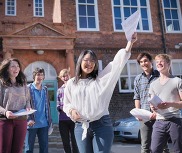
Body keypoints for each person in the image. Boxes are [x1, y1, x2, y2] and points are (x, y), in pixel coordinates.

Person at [63, 33, 137, 153]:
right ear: (80, 61)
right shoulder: (71, 83)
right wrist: (71, 111)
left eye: (93, 61)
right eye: (86, 60)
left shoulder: (101, 79)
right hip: (80, 127)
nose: (89, 63)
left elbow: (117, 64)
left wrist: (130, 43)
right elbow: (66, 103)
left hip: (102, 125)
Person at [133, 52, 169, 153]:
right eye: (141, 62)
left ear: (150, 61)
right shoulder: (138, 79)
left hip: (160, 115)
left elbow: (165, 94)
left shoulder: (160, 75)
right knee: (145, 147)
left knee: (163, 146)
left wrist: (157, 112)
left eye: (145, 61)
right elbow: (137, 97)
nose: (144, 63)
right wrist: (138, 112)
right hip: (145, 116)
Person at [149, 54, 182, 153]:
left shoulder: (177, 81)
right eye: (157, 61)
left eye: (161, 61)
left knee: (178, 150)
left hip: (175, 121)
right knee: (154, 150)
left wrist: (170, 104)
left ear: (169, 64)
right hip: (159, 121)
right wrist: (153, 107)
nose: (159, 63)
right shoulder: (153, 84)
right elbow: (152, 103)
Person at [0, 58, 31, 153]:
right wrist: (5, 112)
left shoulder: (23, 84)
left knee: (17, 150)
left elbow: (27, 100)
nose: (16, 68)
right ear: (7, 69)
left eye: (18, 66)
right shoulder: (1, 83)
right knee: (5, 149)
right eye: (13, 66)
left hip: (21, 120)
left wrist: (28, 107)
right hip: (5, 120)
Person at [24, 67, 52, 153]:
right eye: (38, 75)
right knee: (29, 149)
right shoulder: (27, 88)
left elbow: (48, 105)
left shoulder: (45, 89)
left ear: (44, 77)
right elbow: (23, 105)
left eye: (42, 75)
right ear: (34, 76)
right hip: (31, 123)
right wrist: (28, 119)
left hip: (44, 124)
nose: (40, 77)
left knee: (44, 149)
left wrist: (49, 120)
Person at [57, 68, 79, 153]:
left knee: (75, 141)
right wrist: (67, 109)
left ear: (69, 76)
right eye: (63, 76)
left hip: (73, 119)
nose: (65, 77)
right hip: (63, 120)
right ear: (61, 78)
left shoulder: (74, 89)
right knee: (65, 142)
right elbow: (58, 105)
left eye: (67, 75)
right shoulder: (59, 90)